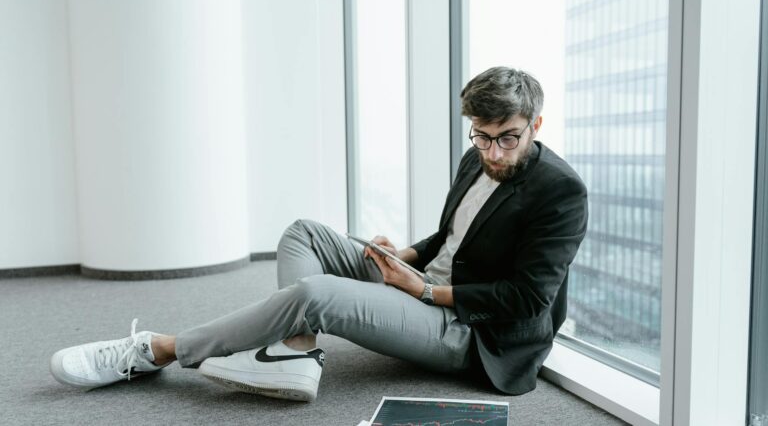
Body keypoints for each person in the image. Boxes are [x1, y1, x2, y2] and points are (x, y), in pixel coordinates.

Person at [49, 66, 588, 400]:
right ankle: (296, 352)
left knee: (314, 294)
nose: (492, 152)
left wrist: (424, 290)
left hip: (469, 331)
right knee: (304, 232)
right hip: (422, 282)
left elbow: (527, 298)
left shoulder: (562, 192)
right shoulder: (478, 158)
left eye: (507, 139)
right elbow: (453, 235)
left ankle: (159, 350)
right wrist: (400, 256)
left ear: (535, 125)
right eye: (482, 137)